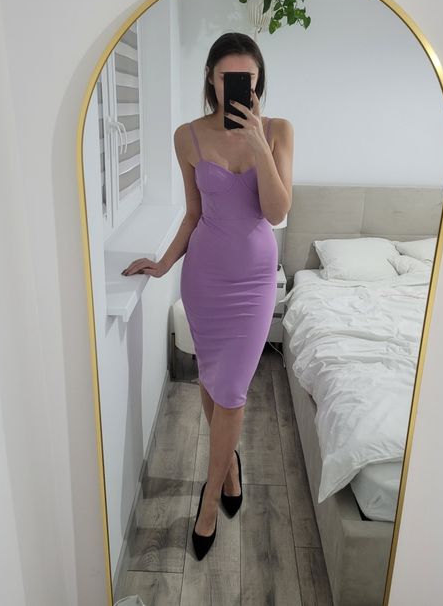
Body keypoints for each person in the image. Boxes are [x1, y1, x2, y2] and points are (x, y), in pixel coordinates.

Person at [121, 32, 293, 560]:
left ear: (258, 80)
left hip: (255, 281)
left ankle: (210, 499)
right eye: (226, 76)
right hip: (205, 280)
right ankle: (231, 468)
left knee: (233, 391)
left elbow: (276, 211)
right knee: (213, 382)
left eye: (247, 77)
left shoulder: (279, 131)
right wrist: (163, 264)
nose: (237, 85)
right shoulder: (188, 137)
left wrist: (258, 143)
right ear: (211, 79)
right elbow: (193, 214)